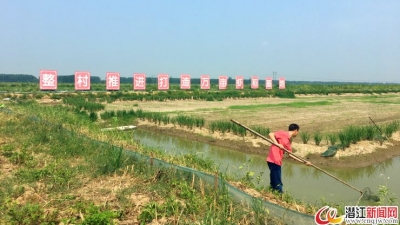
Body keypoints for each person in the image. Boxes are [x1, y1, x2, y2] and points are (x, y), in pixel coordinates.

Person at [266, 123, 311, 193]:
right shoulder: (283, 133)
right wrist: (277, 144)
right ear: (296, 130)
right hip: (273, 159)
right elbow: (270, 134)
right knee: (277, 181)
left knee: (274, 179)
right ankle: (280, 195)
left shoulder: (288, 142)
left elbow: (291, 155)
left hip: (277, 161)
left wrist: (304, 162)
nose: (297, 133)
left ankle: (271, 192)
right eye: (298, 132)